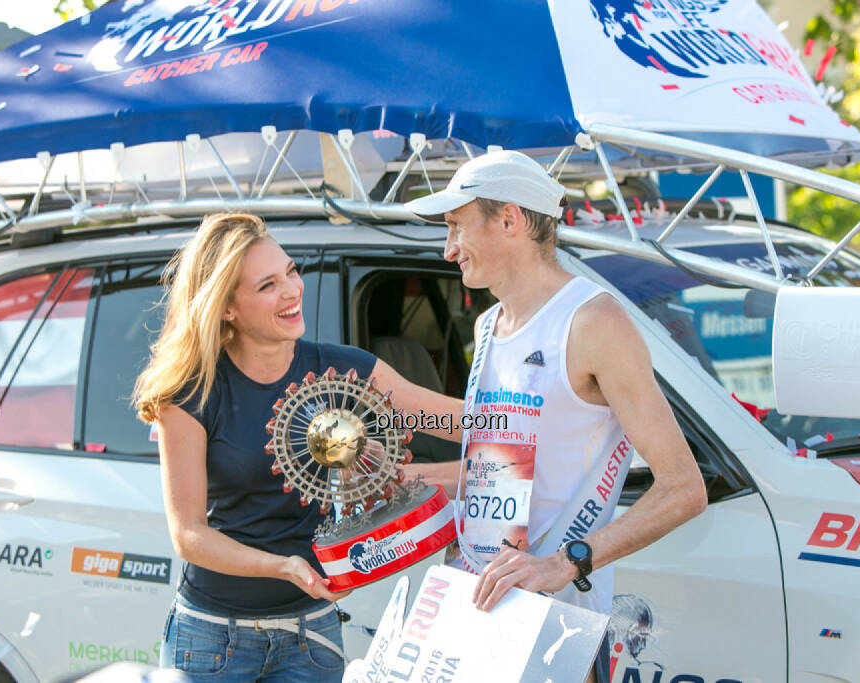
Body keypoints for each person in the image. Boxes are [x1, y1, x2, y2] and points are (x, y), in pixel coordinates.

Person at [403, 151, 708, 683]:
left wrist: (562, 564)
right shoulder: (489, 324)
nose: (448, 249)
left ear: (510, 219)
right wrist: (404, 481)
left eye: (456, 226)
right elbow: (505, 466)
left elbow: (684, 488)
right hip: (477, 614)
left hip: (556, 633)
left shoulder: (594, 321)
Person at [133, 213, 460, 682]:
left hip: (312, 635)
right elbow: (189, 536)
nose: (291, 290)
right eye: (268, 285)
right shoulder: (191, 395)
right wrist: (282, 567)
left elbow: (455, 421)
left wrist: (555, 407)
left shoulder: (344, 372)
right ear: (227, 307)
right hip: (212, 639)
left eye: (290, 271)